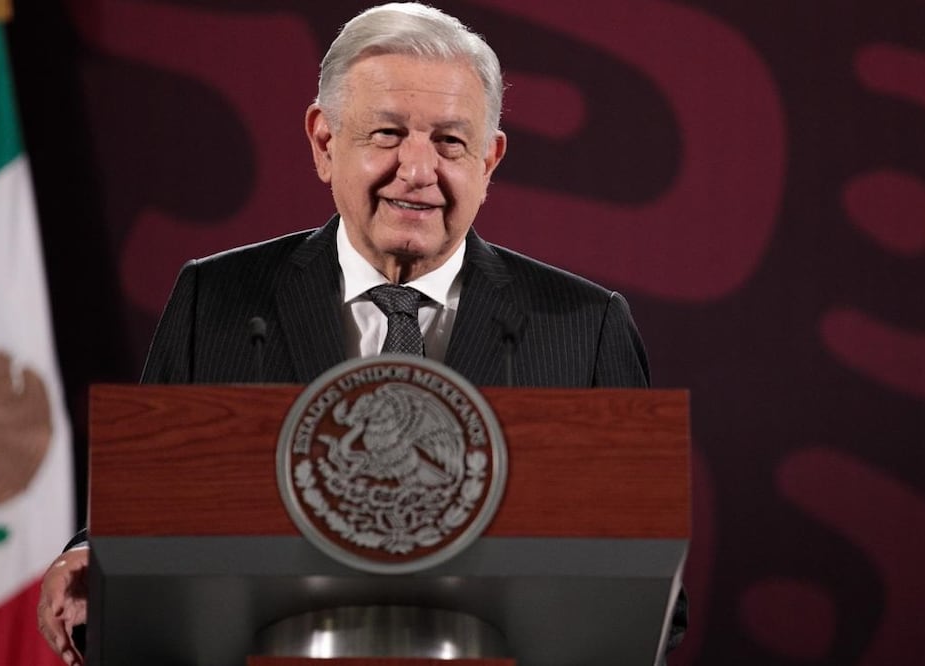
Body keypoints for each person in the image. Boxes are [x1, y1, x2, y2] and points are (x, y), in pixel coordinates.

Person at [37, 3, 685, 664]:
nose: (416, 169)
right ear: (324, 142)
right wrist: (92, 556)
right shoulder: (220, 301)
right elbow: (149, 516)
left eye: (450, 142)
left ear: (489, 161)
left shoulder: (583, 325)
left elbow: (651, 588)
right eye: (386, 133)